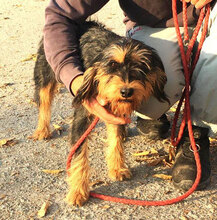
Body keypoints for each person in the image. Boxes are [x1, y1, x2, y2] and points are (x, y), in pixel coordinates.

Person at [43, 0, 217, 191]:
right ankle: (152, 114)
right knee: (153, 93)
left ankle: (196, 131)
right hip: (159, 26)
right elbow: (59, 14)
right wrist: (75, 80)